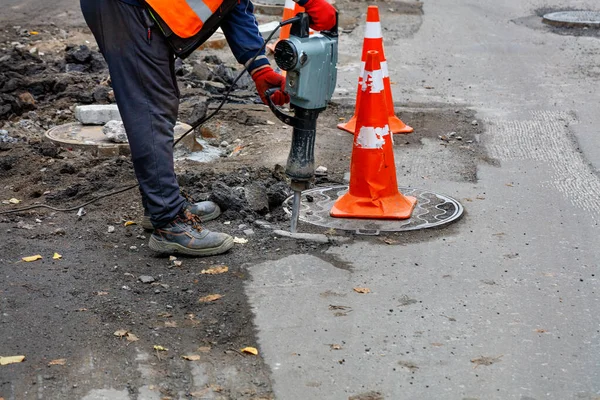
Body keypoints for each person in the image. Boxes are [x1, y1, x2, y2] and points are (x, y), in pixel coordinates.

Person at [79, 0, 336, 256]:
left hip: (145, 10)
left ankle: (160, 206)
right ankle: (169, 224)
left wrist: (258, 67)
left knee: (158, 103)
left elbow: (234, 3)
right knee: (150, 106)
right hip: (128, 8)